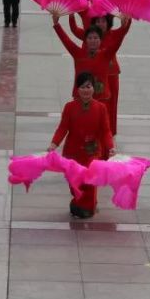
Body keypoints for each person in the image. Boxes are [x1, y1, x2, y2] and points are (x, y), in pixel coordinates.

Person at [47, 72, 115, 219]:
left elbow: (106, 131)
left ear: (93, 88)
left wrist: (110, 147)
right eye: (83, 87)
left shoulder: (101, 108)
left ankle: (88, 206)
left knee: (90, 179)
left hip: (92, 151)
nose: (86, 90)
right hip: (73, 151)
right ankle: (78, 202)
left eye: (89, 86)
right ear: (77, 89)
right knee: (75, 182)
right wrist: (54, 144)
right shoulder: (70, 107)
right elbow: (63, 128)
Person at [52, 13, 131, 113]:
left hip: (102, 100)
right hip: (80, 98)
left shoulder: (106, 55)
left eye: (96, 38)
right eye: (90, 38)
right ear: (85, 40)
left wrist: (125, 25)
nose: (93, 41)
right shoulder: (78, 54)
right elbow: (66, 40)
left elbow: (119, 40)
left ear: (100, 40)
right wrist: (56, 24)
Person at [68, 13, 128, 134]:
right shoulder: (90, 35)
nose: (101, 24)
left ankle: (110, 130)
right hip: (96, 75)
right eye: (98, 21)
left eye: (104, 21)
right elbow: (74, 30)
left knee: (111, 102)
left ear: (108, 23)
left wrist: (127, 21)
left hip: (112, 74)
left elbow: (123, 32)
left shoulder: (114, 34)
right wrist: (71, 14)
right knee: (95, 101)